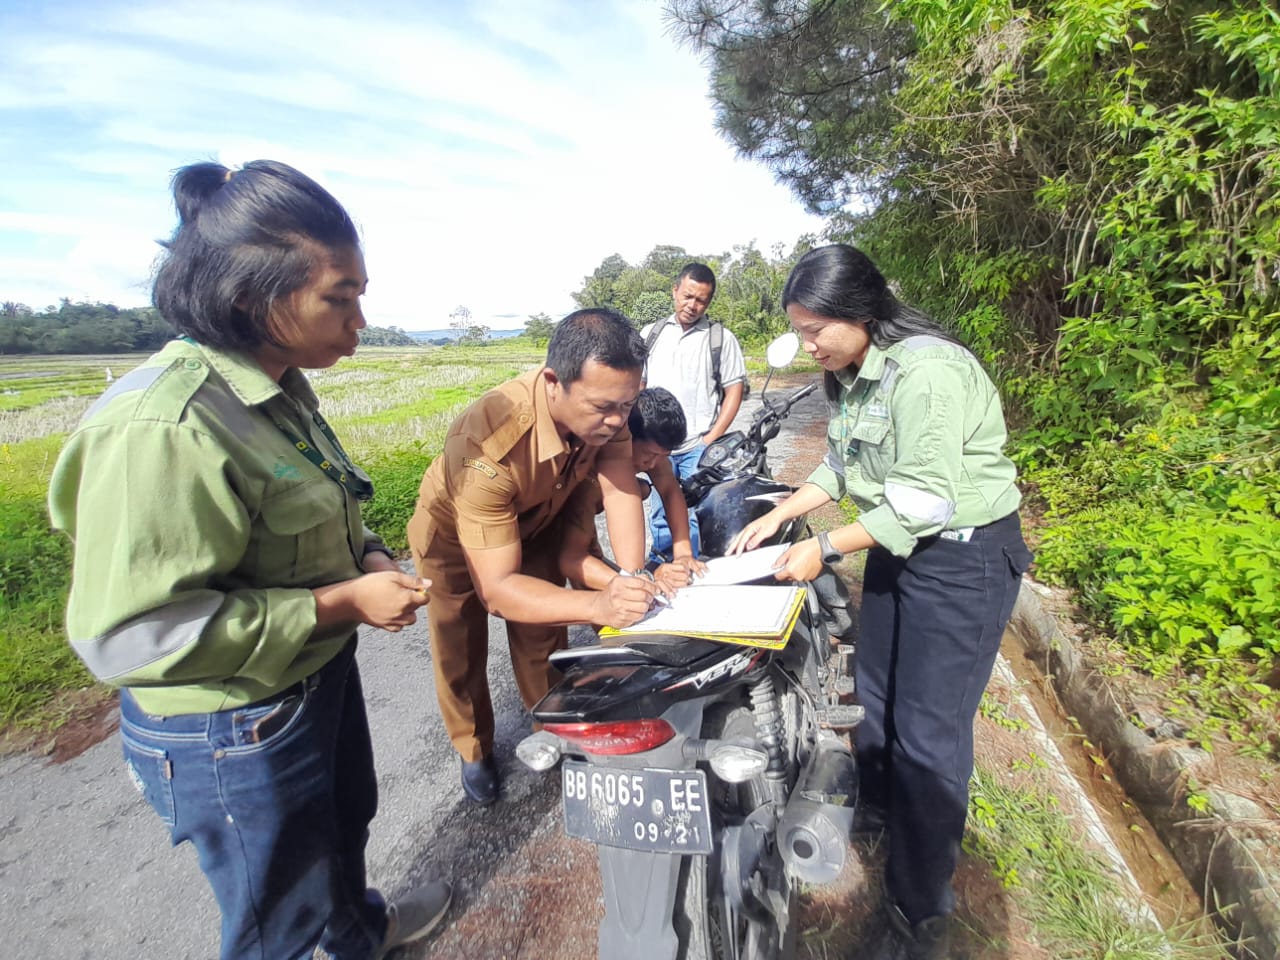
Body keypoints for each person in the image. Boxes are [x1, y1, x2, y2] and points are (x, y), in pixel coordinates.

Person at [47, 160, 452, 960]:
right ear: (248, 296)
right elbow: (129, 636)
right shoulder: (163, 427)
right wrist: (341, 604)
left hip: (310, 680)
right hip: (234, 725)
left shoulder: (280, 385)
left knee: (341, 832)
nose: (359, 321)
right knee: (281, 917)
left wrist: (368, 557)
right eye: (339, 297)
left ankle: (360, 932)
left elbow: (324, 506)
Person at [728, 244, 1033, 960]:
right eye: (798, 332)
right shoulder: (854, 374)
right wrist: (780, 514)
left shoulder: (928, 372)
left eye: (815, 330)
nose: (809, 345)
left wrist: (825, 549)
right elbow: (840, 465)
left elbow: (924, 501)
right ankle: (879, 812)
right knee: (875, 694)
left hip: (961, 559)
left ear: (860, 312)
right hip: (900, 548)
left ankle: (917, 912)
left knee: (929, 736)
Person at [408, 308, 669, 806]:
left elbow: (619, 491)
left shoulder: (609, 407)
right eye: (604, 408)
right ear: (554, 382)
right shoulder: (487, 440)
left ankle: (551, 723)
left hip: (539, 515)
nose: (617, 421)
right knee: (459, 644)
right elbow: (500, 590)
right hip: (456, 536)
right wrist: (599, 606)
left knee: (542, 635)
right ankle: (474, 748)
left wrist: (632, 579)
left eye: (627, 404)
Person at [640, 262, 747, 563]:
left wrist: (710, 439)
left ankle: (697, 567)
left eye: (701, 300)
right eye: (688, 296)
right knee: (661, 510)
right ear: (674, 291)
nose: (693, 305)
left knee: (702, 511)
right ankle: (663, 563)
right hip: (657, 445)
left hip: (697, 446)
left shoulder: (720, 338)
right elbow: (640, 384)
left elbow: (733, 391)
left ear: (708, 302)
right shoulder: (652, 333)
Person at [561, 386, 709, 594]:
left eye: (662, 456)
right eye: (649, 454)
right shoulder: (590, 474)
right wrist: (643, 580)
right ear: (627, 436)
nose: (653, 464)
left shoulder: (652, 453)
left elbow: (669, 489)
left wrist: (683, 552)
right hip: (549, 524)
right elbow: (572, 559)